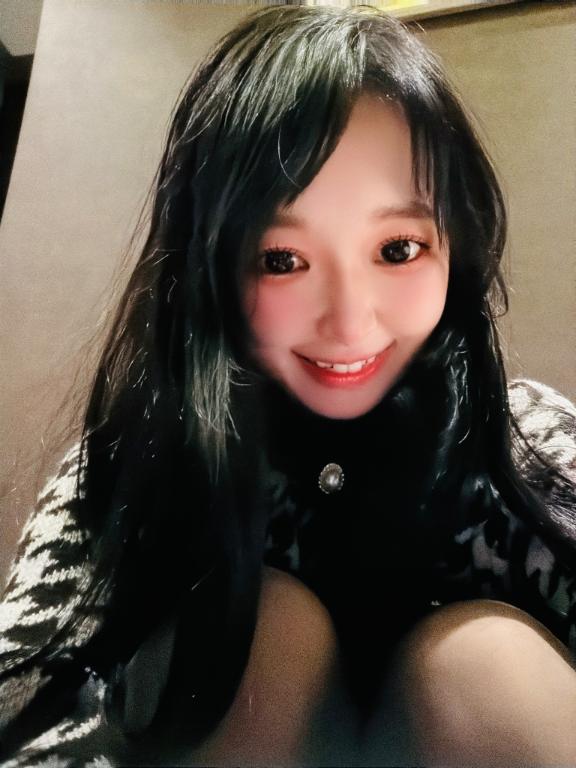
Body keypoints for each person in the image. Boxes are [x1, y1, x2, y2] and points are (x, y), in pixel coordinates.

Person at [1, 5, 575, 766]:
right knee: (257, 638)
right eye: (281, 260)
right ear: (208, 271)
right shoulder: (142, 455)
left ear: (456, 247)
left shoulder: (523, 442)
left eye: (398, 248)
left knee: (484, 670)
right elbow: (32, 706)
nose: (349, 321)